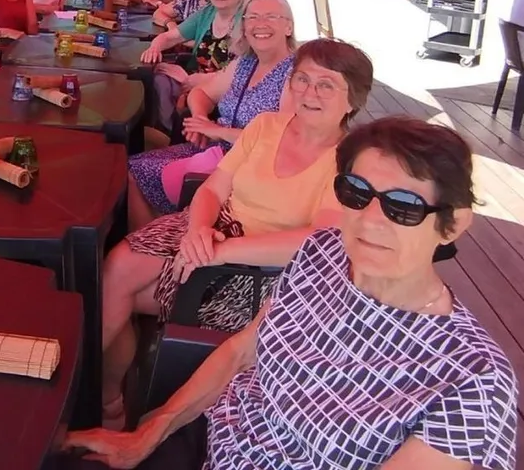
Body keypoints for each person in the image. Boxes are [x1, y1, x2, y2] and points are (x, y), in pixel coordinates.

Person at [67, 116, 518, 470]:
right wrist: (152, 431)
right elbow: (245, 350)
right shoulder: (322, 253)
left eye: (403, 206)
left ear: (453, 224)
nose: (370, 219)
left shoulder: (472, 380)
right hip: (209, 438)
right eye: (356, 193)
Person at [97, 38, 374, 430]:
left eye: (326, 84)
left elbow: (313, 240)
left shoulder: (350, 162)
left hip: (261, 271)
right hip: (212, 229)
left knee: (120, 295)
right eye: (302, 79)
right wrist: (198, 230)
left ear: (352, 100)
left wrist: (222, 250)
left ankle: (109, 405)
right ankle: (108, 398)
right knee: (117, 267)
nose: (309, 93)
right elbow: (214, 186)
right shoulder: (266, 126)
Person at [131, 0, 295, 223]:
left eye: (271, 17)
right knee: (132, 162)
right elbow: (201, 93)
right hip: (214, 149)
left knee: (136, 173)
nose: (260, 24)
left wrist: (218, 131)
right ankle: (154, 237)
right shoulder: (245, 63)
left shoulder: (295, 75)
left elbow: (282, 140)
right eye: (252, 17)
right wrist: (201, 120)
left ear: (288, 27)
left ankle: (150, 243)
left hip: (245, 168)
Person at [142, 0, 246, 77]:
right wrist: (154, 48)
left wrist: (190, 79)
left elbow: (242, 73)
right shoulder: (207, 13)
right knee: (155, 76)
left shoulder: (248, 19)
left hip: (225, 89)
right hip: (195, 81)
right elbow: (169, 37)